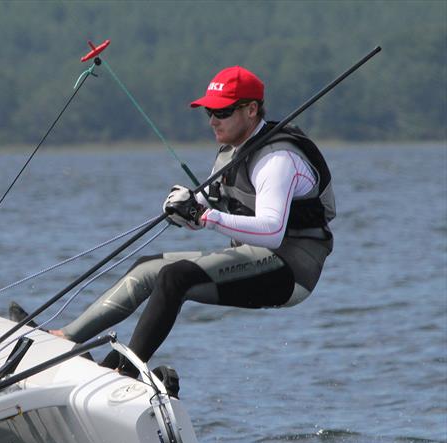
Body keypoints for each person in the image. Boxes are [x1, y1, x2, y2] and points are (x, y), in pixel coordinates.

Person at [47, 65, 336, 386]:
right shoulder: (230, 153)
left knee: (175, 277)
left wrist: (204, 216)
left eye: (223, 112)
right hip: (255, 258)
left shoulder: (277, 159)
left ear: (252, 110)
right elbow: (211, 205)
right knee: (148, 268)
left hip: (290, 270)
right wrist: (185, 206)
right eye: (209, 112)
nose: (213, 120)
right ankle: (65, 338)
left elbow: (271, 230)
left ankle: (123, 376)